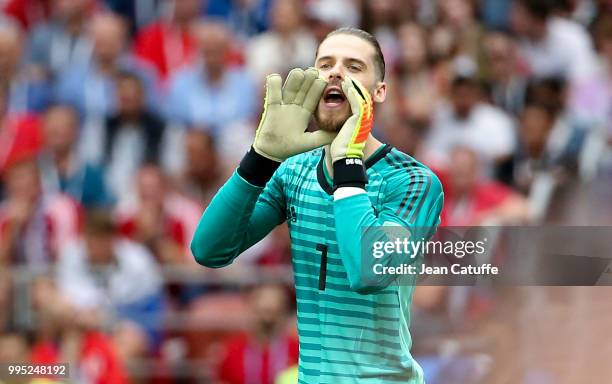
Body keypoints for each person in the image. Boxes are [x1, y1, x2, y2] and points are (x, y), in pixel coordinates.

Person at [191, 27, 444, 383]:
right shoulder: (293, 172)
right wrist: (260, 158)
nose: (336, 72)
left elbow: (368, 273)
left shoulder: (414, 182)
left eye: (354, 66)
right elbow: (209, 250)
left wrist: (347, 163)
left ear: (380, 91)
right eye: (325, 64)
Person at [214, 283, 299, 384]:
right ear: (249, 311)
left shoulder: (298, 351)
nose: (267, 319)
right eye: (260, 311)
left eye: (275, 312)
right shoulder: (231, 351)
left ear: (284, 314)